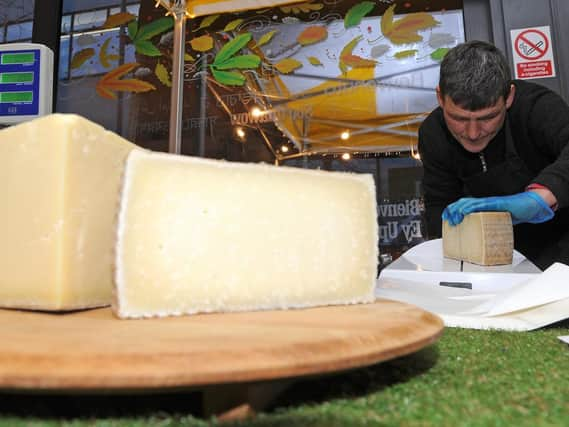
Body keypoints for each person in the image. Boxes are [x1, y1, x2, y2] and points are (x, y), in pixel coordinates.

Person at [418, 40, 569, 270]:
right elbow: (438, 206)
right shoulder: (433, 134)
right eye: (459, 118)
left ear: (508, 96)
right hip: (491, 264)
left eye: (487, 118)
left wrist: (540, 198)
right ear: (440, 98)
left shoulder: (536, 107)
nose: (473, 133)